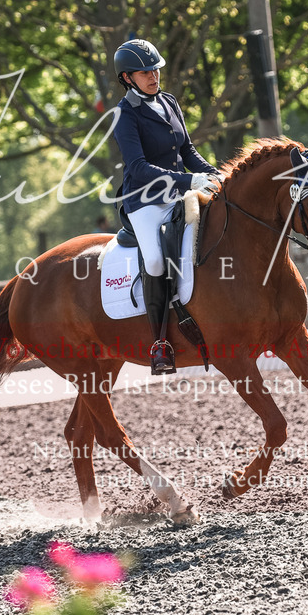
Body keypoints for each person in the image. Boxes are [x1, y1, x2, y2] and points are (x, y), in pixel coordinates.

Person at [111, 38, 221, 374]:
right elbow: (139, 167)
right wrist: (188, 181)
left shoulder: (169, 102)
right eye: (144, 72)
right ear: (127, 78)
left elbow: (187, 151)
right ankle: (160, 342)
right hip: (144, 201)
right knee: (157, 260)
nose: (153, 76)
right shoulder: (124, 114)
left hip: (179, 194)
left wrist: (215, 174)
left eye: (155, 69)